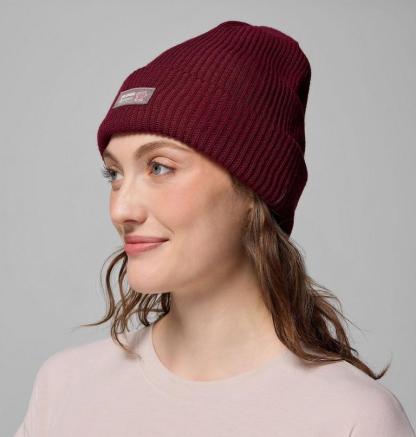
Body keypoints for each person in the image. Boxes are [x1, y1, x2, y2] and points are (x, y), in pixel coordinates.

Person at [14, 20, 415, 437]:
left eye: (159, 167)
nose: (121, 209)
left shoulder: (351, 418)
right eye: (113, 174)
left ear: (254, 190)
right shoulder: (65, 390)